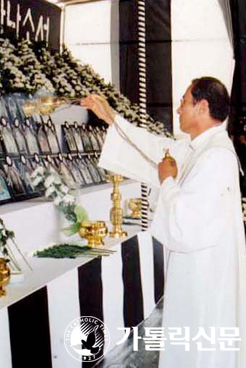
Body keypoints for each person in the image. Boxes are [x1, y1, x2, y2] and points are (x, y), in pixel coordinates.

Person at [81, 77, 246, 368]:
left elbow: (185, 222)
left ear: (202, 106)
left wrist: (166, 180)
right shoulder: (202, 149)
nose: (178, 108)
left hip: (205, 282)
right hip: (196, 275)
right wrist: (110, 117)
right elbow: (155, 149)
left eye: (184, 100)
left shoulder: (216, 158)